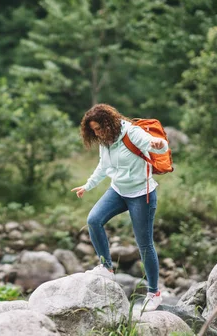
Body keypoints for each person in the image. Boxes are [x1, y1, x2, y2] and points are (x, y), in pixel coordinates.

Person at [71, 103, 168, 312]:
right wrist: (87, 185)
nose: (97, 133)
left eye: (99, 128)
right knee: (93, 220)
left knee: (144, 244)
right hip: (118, 191)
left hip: (142, 194)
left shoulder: (131, 132)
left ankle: (154, 293)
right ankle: (106, 267)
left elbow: (153, 143)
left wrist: (159, 144)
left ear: (109, 123)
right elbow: (103, 167)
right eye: (93, 130)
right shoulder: (105, 141)